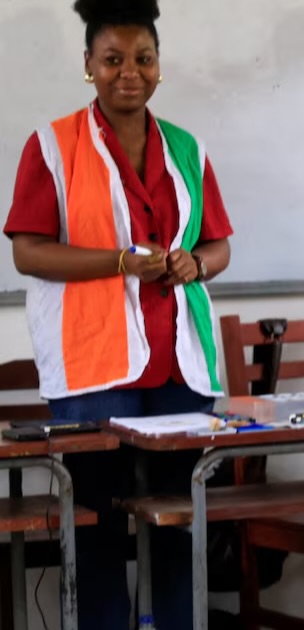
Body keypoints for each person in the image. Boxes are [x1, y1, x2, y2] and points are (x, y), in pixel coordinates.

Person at [3, 0, 232, 627]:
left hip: (180, 369)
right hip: (92, 372)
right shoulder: (53, 144)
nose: (128, 72)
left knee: (177, 524)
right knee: (96, 526)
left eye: (142, 59)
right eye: (112, 60)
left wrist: (196, 265)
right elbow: (26, 250)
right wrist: (117, 262)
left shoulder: (187, 146)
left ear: (160, 68)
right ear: (88, 66)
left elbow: (218, 244)